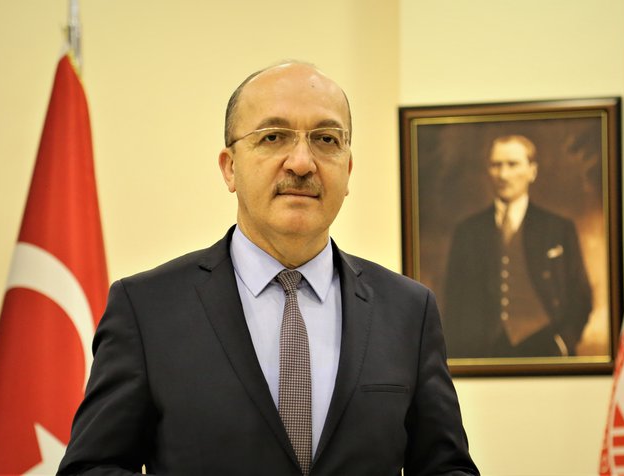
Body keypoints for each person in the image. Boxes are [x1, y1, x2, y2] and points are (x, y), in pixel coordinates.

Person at [58, 62, 478, 475]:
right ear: (230, 168)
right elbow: (92, 467)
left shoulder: (408, 311)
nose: (302, 163)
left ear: (348, 170)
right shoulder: (147, 309)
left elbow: (446, 468)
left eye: (326, 139)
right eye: (273, 137)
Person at [443, 134, 592, 359]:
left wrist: (563, 343)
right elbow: (454, 302)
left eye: (512, 165)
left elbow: (581, 296)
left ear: (532, 171)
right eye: (496, 165)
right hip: (482, 355)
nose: (503, 175)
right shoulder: (467, 231)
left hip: (545, 350)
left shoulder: (558, 228)